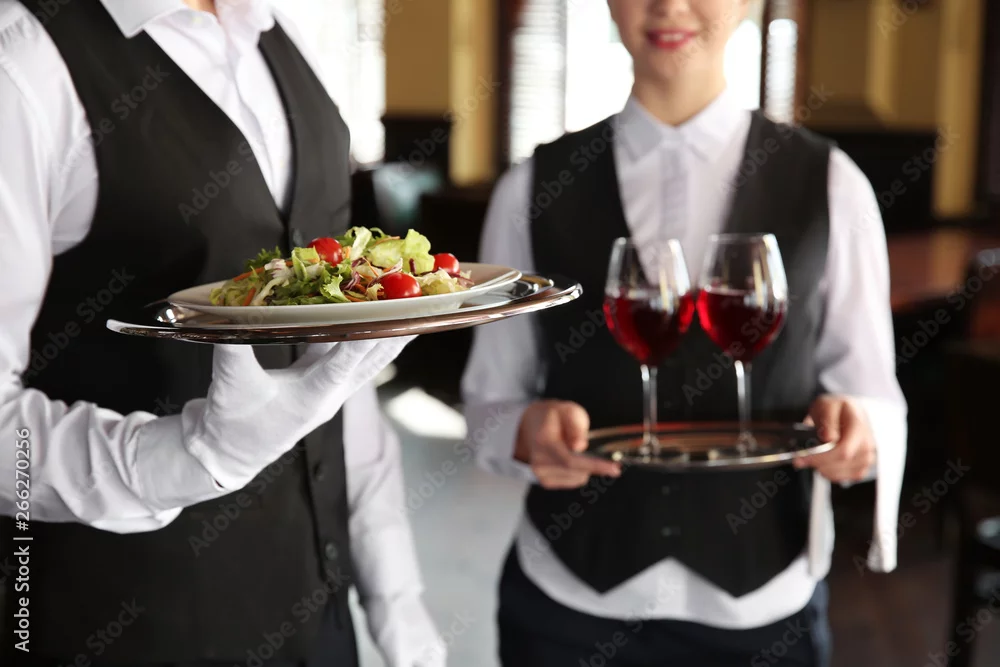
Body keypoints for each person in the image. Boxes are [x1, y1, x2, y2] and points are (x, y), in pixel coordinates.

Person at [462, 0, 907, 665]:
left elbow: (877, 399)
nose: (668, 5)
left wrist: (858, 430)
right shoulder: (530, 187)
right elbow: (485, 406)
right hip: (567, 606)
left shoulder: (834, 184)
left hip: (763, 607)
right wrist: (524, 433)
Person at [0, 1, 443, 666]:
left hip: (319, 616)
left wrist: (397, 599)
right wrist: (193, 456)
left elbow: (340, 363)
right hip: (129, 626)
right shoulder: (23, 58)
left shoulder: (283, 33)